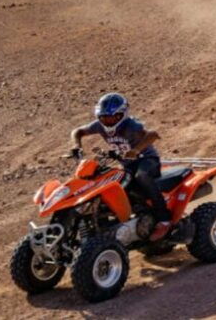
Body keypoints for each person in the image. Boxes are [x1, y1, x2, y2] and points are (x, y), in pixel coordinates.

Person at [70, 92, 172, 242]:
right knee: (112, 185)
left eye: (111, 117)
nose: (107, 121)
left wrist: (136, 150)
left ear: (121, 115)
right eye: (104, 117)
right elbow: (77, 131)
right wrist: (76, 145)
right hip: (128, 164)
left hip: (147, 160)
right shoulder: (99, 126)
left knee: (141, 177)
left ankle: (164, 220)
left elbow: (153, 135)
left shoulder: (131, 125)